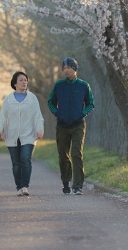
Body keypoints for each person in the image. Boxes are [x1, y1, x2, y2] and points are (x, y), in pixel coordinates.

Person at [47, 57, 94, 195]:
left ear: (74, 68)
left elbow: (90, 103)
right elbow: (51, 102)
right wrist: (57, 113)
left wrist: (82, 113)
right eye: (64, 68)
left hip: (78, 125)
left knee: (76, 154)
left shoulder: (84, 86)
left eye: (68, 67)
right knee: (63, 155)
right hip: (62, 125)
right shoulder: (58, 85)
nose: (66, 70)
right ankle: (66, 181)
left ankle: (77, 186)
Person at [0, 70, 45, 196]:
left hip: (28, 134)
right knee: (16, 163)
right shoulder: (8, 99)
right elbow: (2, 116)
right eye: (21, 80)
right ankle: (18, 187)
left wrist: (39, 129)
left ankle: (25, 186)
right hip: (11, 135)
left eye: (25, 80)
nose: (24, 82)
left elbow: (38, 116)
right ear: (15, 83)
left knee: (25, 159)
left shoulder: (32, 98)